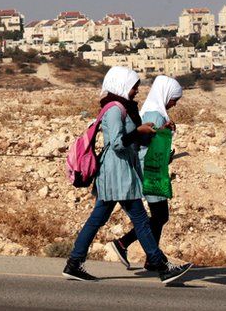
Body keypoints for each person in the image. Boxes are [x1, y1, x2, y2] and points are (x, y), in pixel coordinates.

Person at [63, 67, 192, 285]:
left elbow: (135, 142)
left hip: (121, 172)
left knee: (98, 219)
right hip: (117, 172)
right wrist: (138, 132)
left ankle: (74, 263)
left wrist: (157, 132)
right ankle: (161, 266)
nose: (136, 92)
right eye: (133, 88)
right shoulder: (114, 109)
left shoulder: (123, 107)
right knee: (140, 219)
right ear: (121, 85)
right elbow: (116, 143)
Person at [109, 75, 183, 271]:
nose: (174, 103)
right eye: (174, 99)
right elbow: (145, 145)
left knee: (160, 215)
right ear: (166, 95)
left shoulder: (156, 113)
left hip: (152, 168)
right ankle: (126, 245)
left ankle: (144, 254)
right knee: (159, 215)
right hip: (150, 170)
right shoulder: (155, 114)